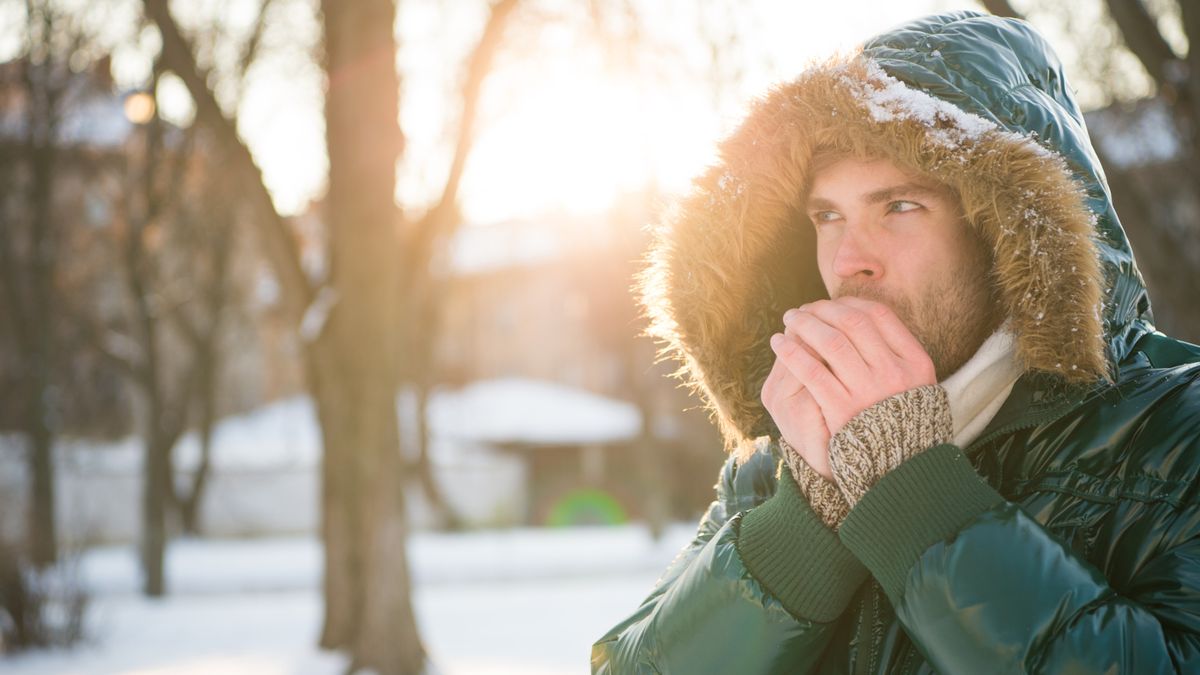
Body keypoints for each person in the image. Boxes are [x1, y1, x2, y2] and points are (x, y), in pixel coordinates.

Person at [592, 9, 1200, 674]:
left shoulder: (1178, 437)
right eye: (827, 215)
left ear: (1002, 233)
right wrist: (805, 527)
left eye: (898, 207)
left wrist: (913, 494)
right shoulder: (778, 464)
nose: (850, 259)